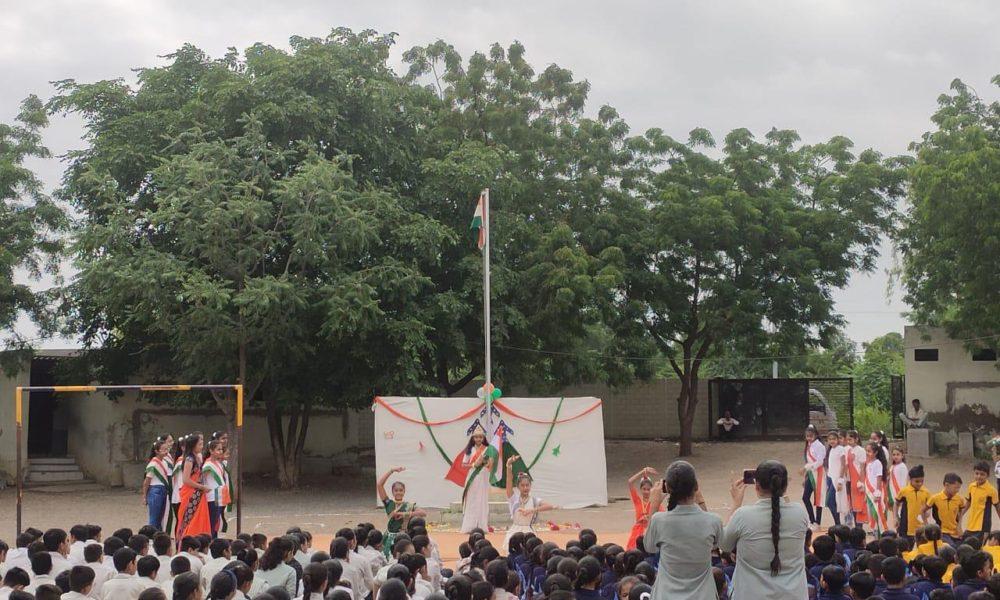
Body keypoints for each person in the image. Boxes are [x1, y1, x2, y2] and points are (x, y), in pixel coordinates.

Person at [721, 460, 810, 600]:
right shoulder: (800, 513)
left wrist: (736, 504)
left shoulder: (743, 515)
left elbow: (724, 544)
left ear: (756, 486)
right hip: (793, 594)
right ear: (786, 486)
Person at [643, 461, 723, 599]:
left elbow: (649, 547)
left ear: (667, 488)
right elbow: (716, 544)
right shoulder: (713, 520)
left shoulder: (659, 520)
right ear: (696, 486)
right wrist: (701, 500)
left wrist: (654, 505)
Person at [503, 455, 556, 550]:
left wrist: (532, 510)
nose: (525, 488)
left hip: (529, 531)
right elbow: (508, 480)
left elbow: (550, 506)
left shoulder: (535, 500)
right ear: (518, 486)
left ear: (530, 486)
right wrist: (508, 465)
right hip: (514, 530)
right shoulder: (513, 498)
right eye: (522, 485)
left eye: (527, 485)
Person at [377, 466, 426, 560]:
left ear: (404, 491)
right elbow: (379, 485)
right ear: (392, 492)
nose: (398, 492)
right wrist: (391, 471)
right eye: (396, 490)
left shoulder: (409, 505)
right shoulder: (389, 504)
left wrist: (405, 514)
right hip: (389, 538)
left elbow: (423, 513)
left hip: (403, 537)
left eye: (401, 490)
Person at [175, 434, 212, 540]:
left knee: (200, 520)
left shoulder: (197, 457)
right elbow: (186, 480)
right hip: (191, 494)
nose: (202, 446)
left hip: (198, 493)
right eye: (199, 444)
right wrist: (201, 487)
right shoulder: (189, 459)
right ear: (193, 445)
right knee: (190, 520)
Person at [460, 426, 493, 534]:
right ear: (473, 438)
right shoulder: (470, 449)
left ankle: (482, 526)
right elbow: (463, 464)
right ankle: (470, 526)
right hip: (472, 476)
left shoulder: (487, 449)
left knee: (482, 499)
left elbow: (491, 465)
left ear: (483, 438)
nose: (478, 439)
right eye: (476, 437)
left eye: (480, 437)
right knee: (472, 500)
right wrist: (474, 464)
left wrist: (489, 463)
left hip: (483, 476)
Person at [924, 473, 967, 546]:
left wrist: (959, 526)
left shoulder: (959, 499)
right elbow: (923, 510)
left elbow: (961, 512)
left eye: (959, 488)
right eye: (955, 488)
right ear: (946, 485)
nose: (957, 490)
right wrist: (926, 525)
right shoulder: (935, 498)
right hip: (942, 532)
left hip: (955, 532)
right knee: (951, 547)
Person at [625, 467, 660, 550]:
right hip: (638, 530)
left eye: (648, 489)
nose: (646, 492)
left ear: (652, 489)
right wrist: (643, 471)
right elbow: (630, 482)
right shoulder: (637, 500)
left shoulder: (655, 501)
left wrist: (649, 518)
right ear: (640, 489)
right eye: (644, 489)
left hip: (650, 530)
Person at [141, 440, 173, 532]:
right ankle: (151, 536)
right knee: (154, 517)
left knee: (161, 517)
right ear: (156, 451)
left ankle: (158, 536)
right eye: (163, 450)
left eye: (166, 449)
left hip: (163, 490)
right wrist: (144, 495)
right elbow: (146, 481)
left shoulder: (165, 462)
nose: (166, 451)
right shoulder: (153, 464)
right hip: (155, 490)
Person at [963, 461, 1000, 540]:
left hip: (983, 527)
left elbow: (998, 508)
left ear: (988, 475)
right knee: (965, 547)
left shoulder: (991, 490)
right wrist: (959, 515)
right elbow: (968, 503)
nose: (979, 476)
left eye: (982, 474)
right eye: (977, 473)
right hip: (970, 524)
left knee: (978, 550)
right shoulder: (971, 486)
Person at [202, 441, 231, 538]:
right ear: (211, 451)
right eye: (218, 449)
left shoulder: (218, 463)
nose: (220, 451)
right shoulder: (208, 465)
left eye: (221, 449)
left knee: (217, 522)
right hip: (211, 497)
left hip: (219, 496)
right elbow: (201, 479)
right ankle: (210, 542)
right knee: (212, 522)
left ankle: (214, 540)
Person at [895, 465, 930, 541]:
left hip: (921, 525)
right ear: (910, 480)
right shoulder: (904, 491)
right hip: (905, 525)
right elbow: (896, 503)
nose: (919, 484)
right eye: (917, 481)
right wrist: (896, 517)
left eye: (922, 481)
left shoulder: (926, 492)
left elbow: (928, 506)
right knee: (905, 547)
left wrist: (928, 512)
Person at [802, 425, 827, 528]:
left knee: (818, 499)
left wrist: (807, 467)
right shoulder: (808, 445)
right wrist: (806, 476)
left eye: (811, 436)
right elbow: (808, 461)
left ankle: (817, 522)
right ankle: (812, 520)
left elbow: (820, 461)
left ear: (816, 435)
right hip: (811, 474)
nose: (809, 438)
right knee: (805, 497)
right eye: (807, 436)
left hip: (818, 474)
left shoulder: (820, 446)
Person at [861, 441, 888, 535]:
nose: (867, 453)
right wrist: (865, 494)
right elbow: (867, 478)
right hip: (869, 493)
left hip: (875, 492)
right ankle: (875, 531)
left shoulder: (877, 463)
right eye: (866, 451)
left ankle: (883, 533)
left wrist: (877, 492)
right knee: (871, 513)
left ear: (875, 452)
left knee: (878, 513)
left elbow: (878, 478)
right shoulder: (868, 463)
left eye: (869, 451)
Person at [845, 430, 869, 527]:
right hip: (851, 479)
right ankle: (855, 526)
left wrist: (862, 482)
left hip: (858, 479)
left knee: (859, 504)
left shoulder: (861, 450)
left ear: (856, 439)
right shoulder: (849, 450)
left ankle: (859, 528)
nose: (848, 442)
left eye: (850, 439)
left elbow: (862, 467)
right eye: (847, 440)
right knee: (853, 504)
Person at [825, 430, 848, 527]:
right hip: (830, 478)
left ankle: (838, 525)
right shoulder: (831, 450)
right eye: (830, 439)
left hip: (837, 479)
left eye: (834, 439)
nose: (832, 441)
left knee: (830, 502)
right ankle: (837, 524)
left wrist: (840, 480)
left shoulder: (840, 449)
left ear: (838, 440)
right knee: (831, 502)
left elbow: (843, 465)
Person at [886, 447, 909, 530]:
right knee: (895, 515)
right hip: (892, 493)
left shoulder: (903, 467)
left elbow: (903, 483)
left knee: (900, 515)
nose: (895, 456)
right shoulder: (892, 466)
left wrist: (902, 496)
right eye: (894, 455)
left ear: (902, 455)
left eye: (898, 454)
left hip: (899, 495)